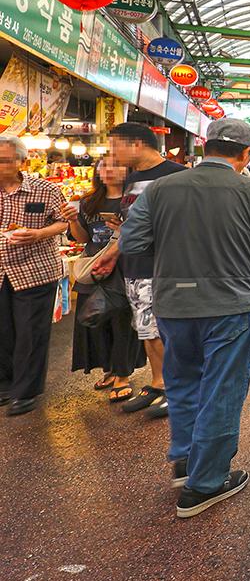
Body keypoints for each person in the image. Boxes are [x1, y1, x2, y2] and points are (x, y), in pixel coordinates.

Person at [120, 119, 250, 518]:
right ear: (245, 155)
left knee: (183, 380)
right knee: (222, 389)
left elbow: (132, 241)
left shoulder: (160, 188)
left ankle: (184, 461)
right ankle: (206, 483)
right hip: (230, 303)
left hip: (174, 304)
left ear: (206, 146)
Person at [89, 122, 186, 419]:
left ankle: (177, 390)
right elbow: (131, 224)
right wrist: (113, 253)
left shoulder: (176, 175)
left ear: (136, 145)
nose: (112, 153)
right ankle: (158, 383)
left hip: (163, 267)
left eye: (115, 145)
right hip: (134, 265)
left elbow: (183, 224)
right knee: (146, 329)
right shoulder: (133, 180)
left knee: (167, 331)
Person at [61, 158, 146, 401]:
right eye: (104, 166)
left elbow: (144, 233)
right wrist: (73, 220)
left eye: (115, 165)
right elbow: (82, 238)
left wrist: (123, 228)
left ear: (128, 171)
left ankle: (122, 375)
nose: (108, 170)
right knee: (94, 320)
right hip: (94, 266)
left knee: (122, 321)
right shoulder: (88, 201)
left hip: (125, 266)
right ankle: (109, 369)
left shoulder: (134, 201)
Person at [0, 136, 69, 416]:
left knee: (31, 332)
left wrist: (39, 234)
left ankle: (25, 391)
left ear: (21, 162)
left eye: (4, 160)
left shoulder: (45, 190)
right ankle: (4, 385)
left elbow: (64, 221)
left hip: (35, 270)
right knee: (2, 331)